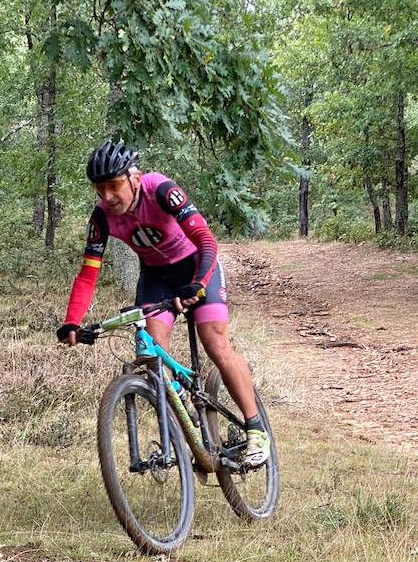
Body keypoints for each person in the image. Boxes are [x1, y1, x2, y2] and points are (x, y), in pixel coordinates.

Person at [55, 138, 270, 466]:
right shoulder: (101, 217)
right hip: (157, 277)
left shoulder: (161, 190)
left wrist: (198, 284)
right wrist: (72, 321)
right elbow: (88, 274)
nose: (107, 197)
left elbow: (206, 240)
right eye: (99, 189)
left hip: (197, 267)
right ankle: (185, 408)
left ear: (135, 178)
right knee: (151, 353)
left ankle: (255, 429)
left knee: (215, 342)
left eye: (113, 186)